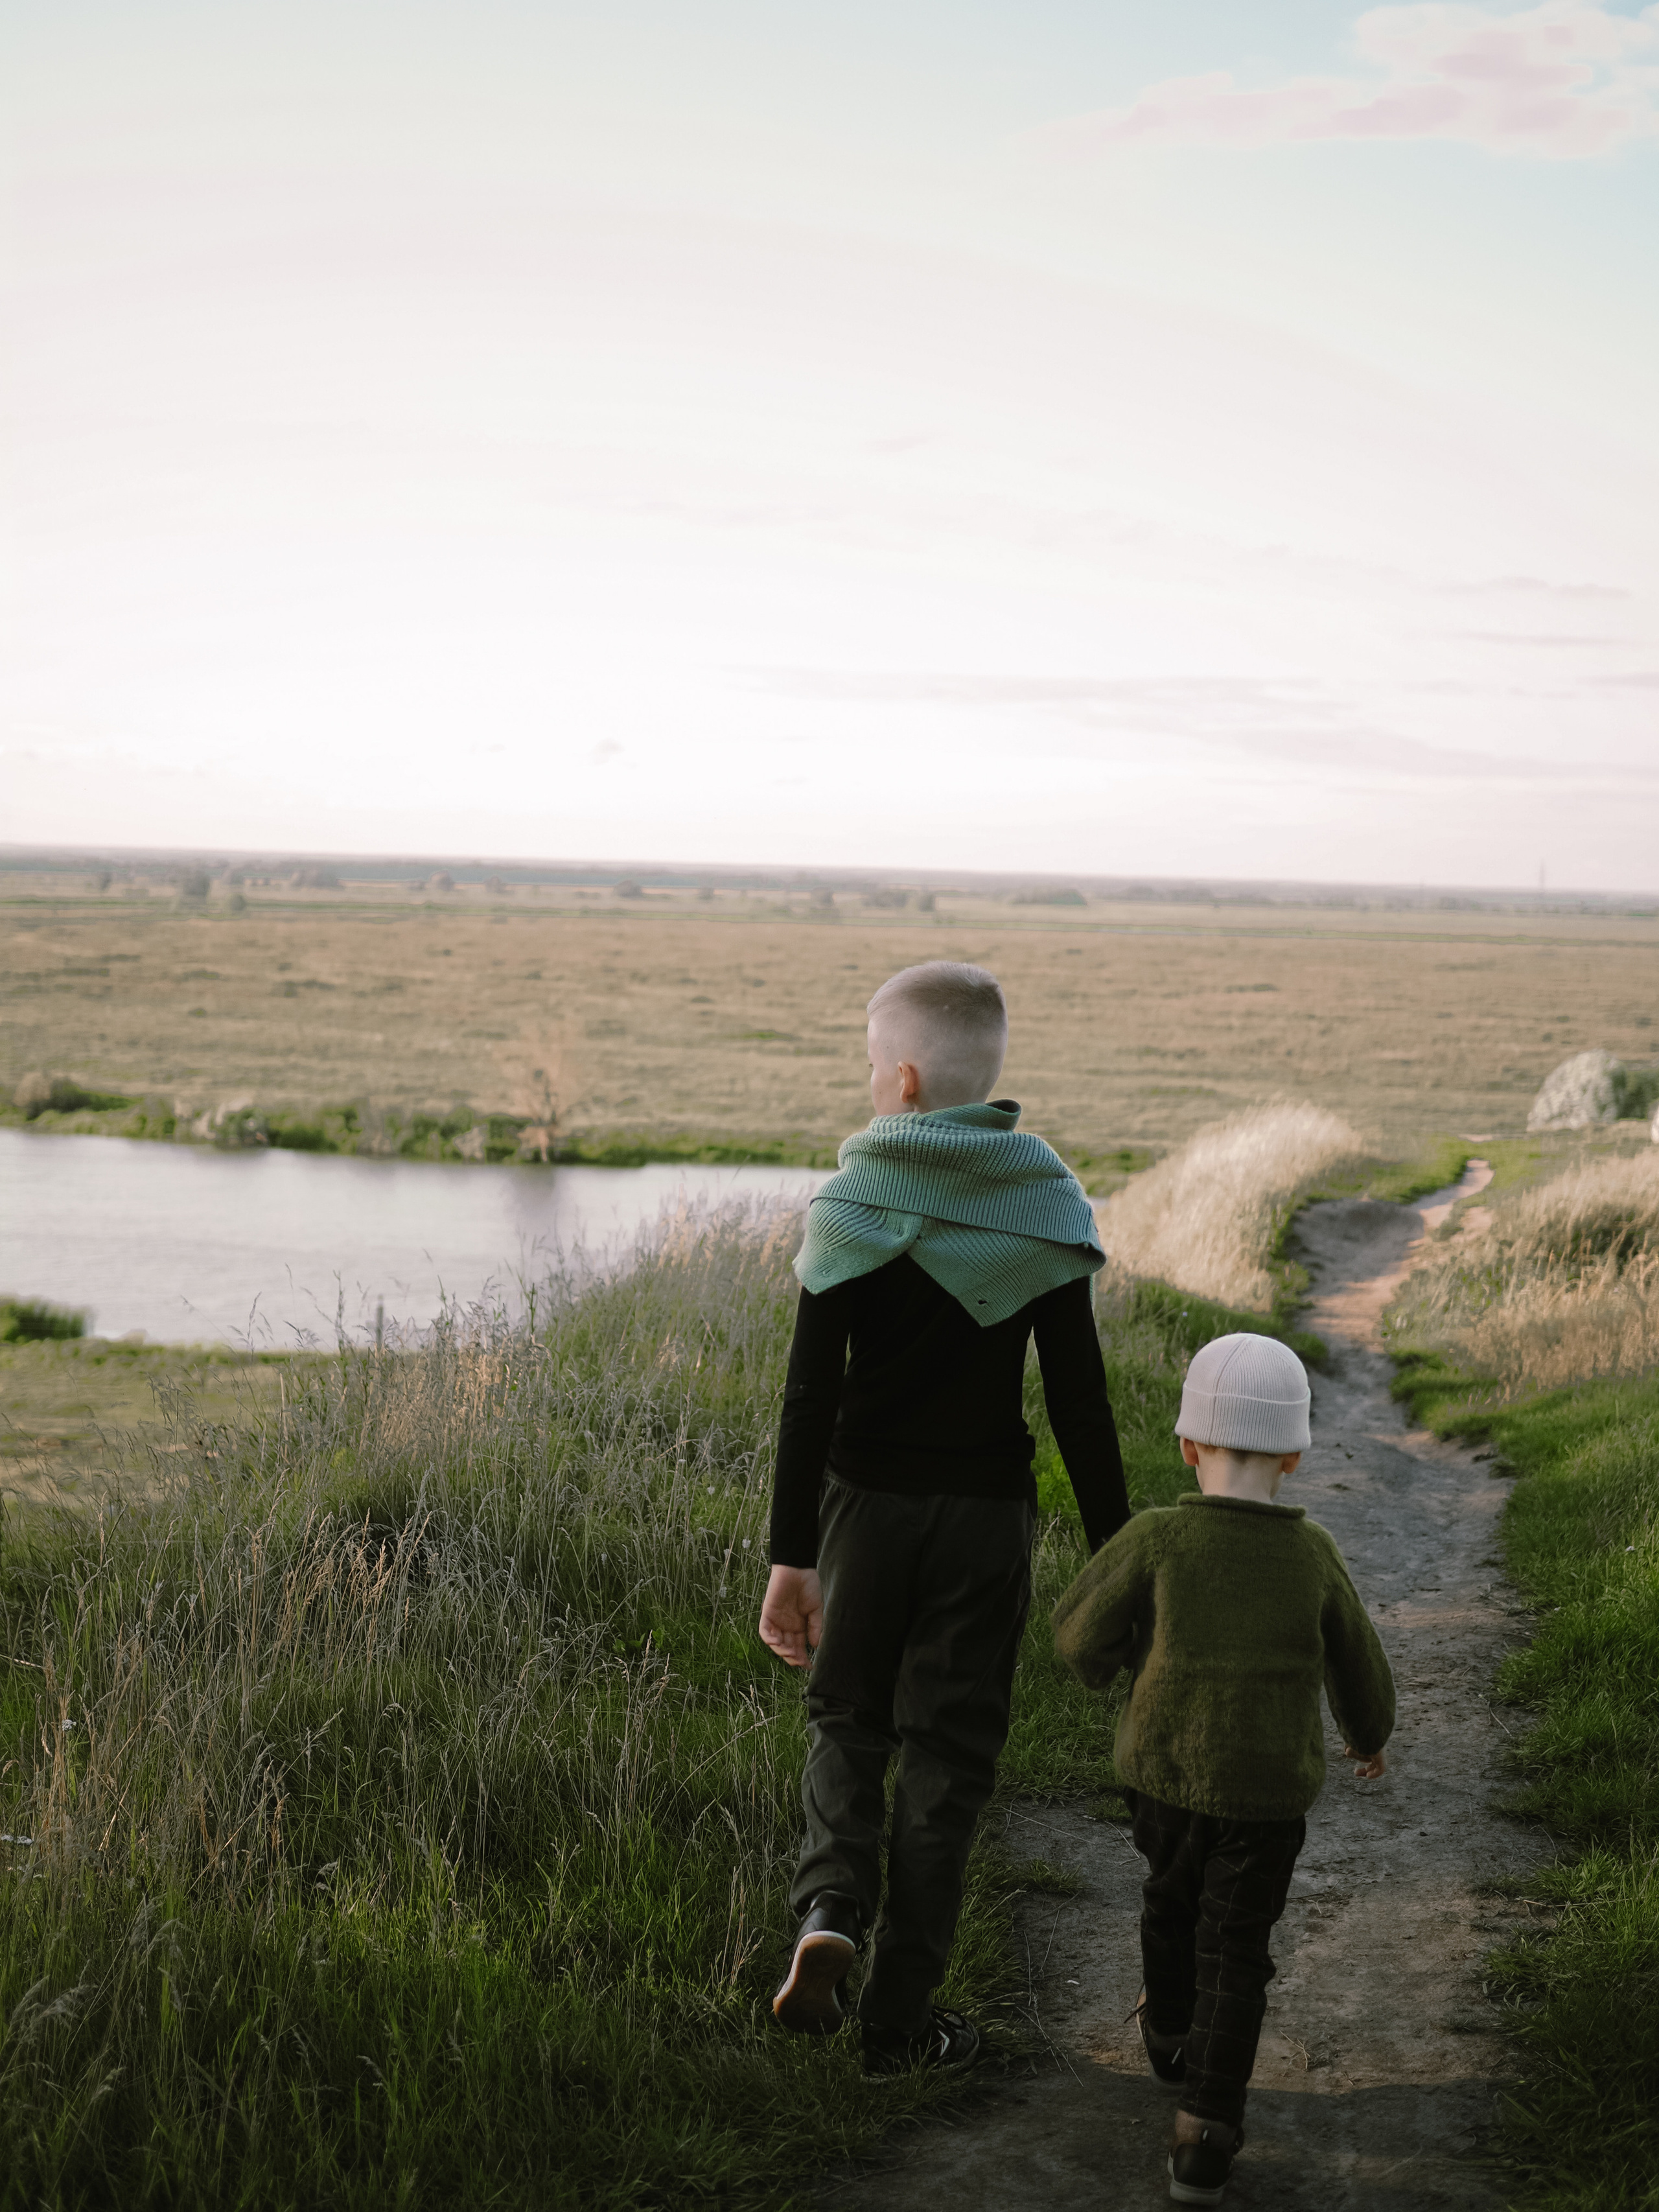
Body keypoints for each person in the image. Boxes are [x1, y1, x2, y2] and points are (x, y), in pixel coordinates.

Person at [758, 960, 1131, 2076]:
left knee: (847, 1721)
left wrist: (792, 1558)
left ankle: (830, 1906)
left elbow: (808, 1396)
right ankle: (899, 2017)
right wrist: (1119, 1559)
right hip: (984, 1518)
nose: (871, 1083)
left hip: (861, 1512)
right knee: (950, 1755)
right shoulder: (1045, 1201)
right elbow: (1079, 1401)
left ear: (907, 1080)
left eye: (874, 1065)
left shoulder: (852, 1200)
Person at [1051, 1331, 1395, 2206]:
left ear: (1187, 1445)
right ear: (1293, 1455)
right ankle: (1206, 2125)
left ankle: (1168, 2030)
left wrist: (1112, 1663)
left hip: (1162, 1776)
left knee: (1169, 1900)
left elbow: (1077, 1632)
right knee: (1236, 1950)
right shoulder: (1314, 1553)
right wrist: (1367, 1732)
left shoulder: (1157, 1536)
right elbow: (1358, 1662)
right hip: (1268, 1795)